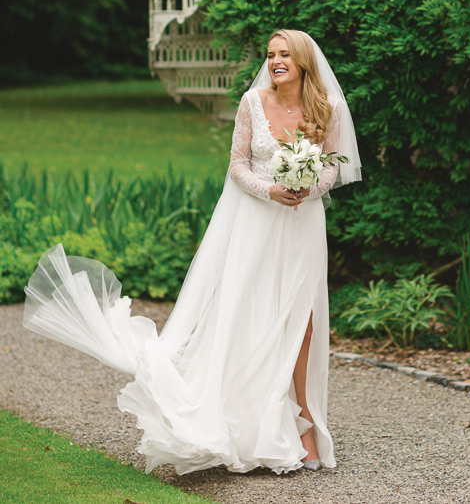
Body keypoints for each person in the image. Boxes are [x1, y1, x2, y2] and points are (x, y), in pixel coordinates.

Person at [23, 29, 361, 476]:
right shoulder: (252, 103)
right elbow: (237, 165)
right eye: (270, 55)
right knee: (249, 316)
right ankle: (245, 425)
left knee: (303, 325)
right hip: (256, 223)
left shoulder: (328, 108)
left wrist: (303, 188)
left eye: (284, 55)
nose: (275, 61)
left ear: (302, 61)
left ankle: (305, 429)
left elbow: (334, 168)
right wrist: (271, 189)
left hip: (302, 225)